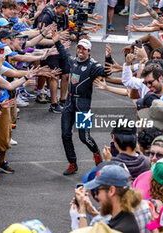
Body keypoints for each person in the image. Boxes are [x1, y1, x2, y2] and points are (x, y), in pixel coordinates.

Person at [50, 28, 108, 175]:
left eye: (84, 49)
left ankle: (98, 158)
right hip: (69, 104)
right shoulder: (73, 62)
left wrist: (108, 58)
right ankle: (72, 163)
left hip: (83, 106)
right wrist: (56, 41)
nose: (81, 50)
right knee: (65, 135)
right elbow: (64, 54)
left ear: (89, 51)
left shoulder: (93, 66)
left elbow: (105, 72)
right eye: (79, 47)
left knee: (84, 137)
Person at [83, 165, 142, 233]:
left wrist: (80, 214)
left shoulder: (120, 229)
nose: (96, 196)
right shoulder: (123, 219)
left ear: (112, 191)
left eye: (97, 191)